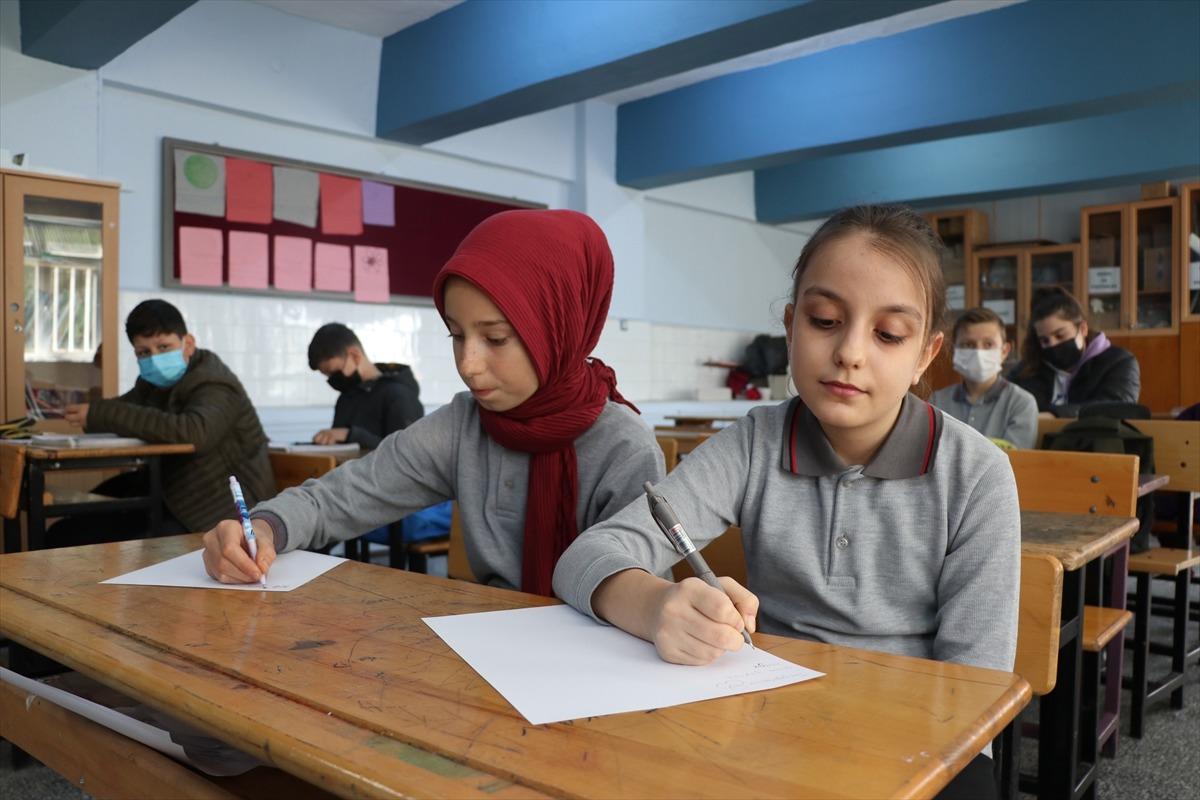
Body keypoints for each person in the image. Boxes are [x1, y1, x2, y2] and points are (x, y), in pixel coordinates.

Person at [553, 205, 1019, 800]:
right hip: (764, 718)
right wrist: (653, 605)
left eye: (887, 334)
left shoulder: (977, 475)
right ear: (791, 325)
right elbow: (584, 556)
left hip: (916, 738)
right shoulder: (755, 443)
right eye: (825, 320)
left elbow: (972, 695)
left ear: (925, 355)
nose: (850, 352)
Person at [201, 209, 665, 596]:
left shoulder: (624, 448)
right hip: (484, 644)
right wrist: (264, 528)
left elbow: (639, 596)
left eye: (496, 338)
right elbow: (342, 497)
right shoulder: (465, 425)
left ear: (560, 330)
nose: (468, 365)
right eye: (456, 336)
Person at [53, 299, 274, 544]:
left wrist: (100, 413)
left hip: (222, 508)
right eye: (144, 353)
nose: (154, 358)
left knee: (81, 536)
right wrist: (89, 413)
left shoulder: (215, 382)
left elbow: (195, 432)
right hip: (173, 493)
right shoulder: (152, 384)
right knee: (69, 527)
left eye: (164, 347)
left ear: (188, 344)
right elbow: (124, 411)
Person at [1009, 288, 1140, 417]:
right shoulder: (1029, 368)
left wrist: (1055, 415)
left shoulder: (1118, 362)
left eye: (1060, 335)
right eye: (1045, 340)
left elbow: (1117, 408)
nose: (1053, 344)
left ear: (1083, 329)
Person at [931, 307, 1038, 449]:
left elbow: (1014, 457)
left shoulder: (1021, 403)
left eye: (988, 344)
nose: (978, 352)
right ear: (954, 350)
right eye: (968, 344)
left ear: (1004, 351)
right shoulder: (936, 401)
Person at [306, 323, 424, 449]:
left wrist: (351, 435)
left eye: (335, 372)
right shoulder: (345, 398)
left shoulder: (399, 396)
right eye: (327, 375)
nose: (332, 379)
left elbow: (407, 452)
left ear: (355, 355)